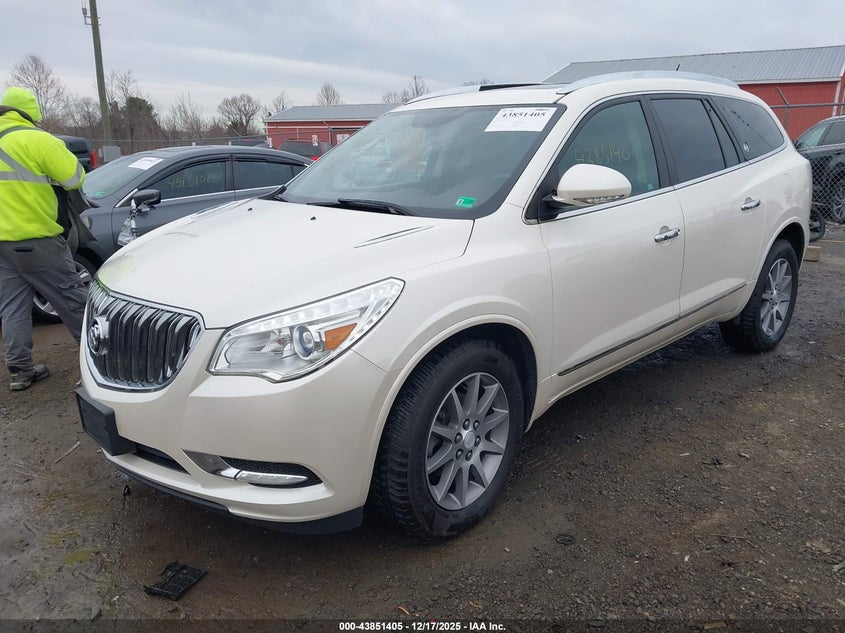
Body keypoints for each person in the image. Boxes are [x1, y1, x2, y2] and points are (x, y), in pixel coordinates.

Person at [0, 86, 87, 391]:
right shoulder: (38, 139)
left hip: (1, 245)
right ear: (31, 112)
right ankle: (101, 365)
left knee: (12, 308)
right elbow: (75, 178)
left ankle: (20, 372)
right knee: (74, 300)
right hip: (37, 239)